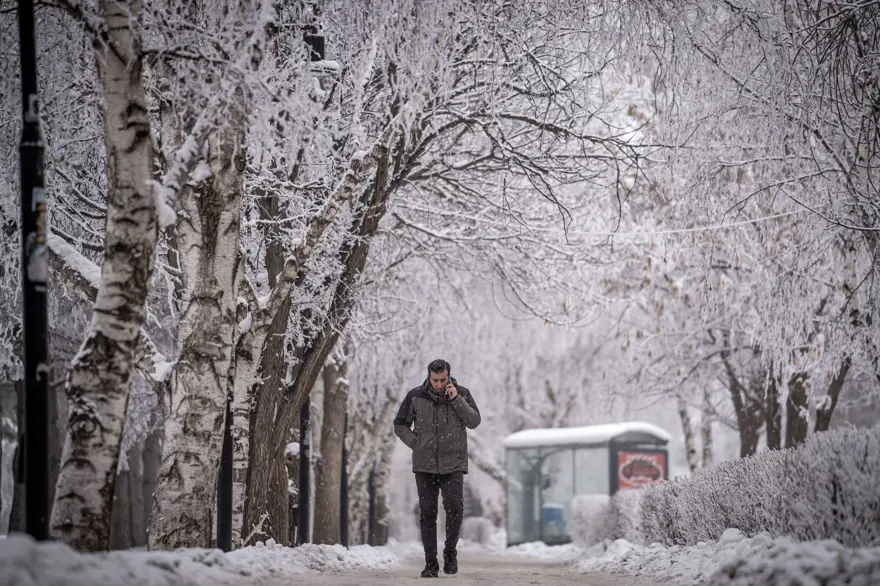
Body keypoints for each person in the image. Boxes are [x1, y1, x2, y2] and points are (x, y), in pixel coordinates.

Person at [394, 359, 481, 578]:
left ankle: (450, 552)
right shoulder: (415, 396)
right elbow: (400, 424)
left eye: (443, 380)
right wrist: (416, 442)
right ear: (428, 377)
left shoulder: (462, 394)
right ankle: (431, 563)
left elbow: (474, 421)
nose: (439, 384)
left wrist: (456, 399)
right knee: (427, 513)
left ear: (449, 376)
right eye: (435, 380)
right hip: (425, 465)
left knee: (455, 509)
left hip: (453, 464)